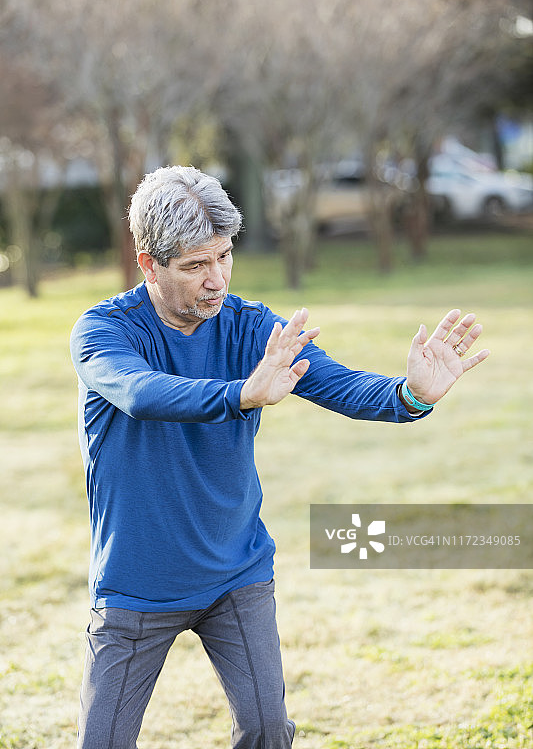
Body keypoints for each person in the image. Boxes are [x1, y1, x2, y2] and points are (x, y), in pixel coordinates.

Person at [70, 165, 489, 749]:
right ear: (148, 263)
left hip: (236, 573)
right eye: (195, 266)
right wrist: (242, 394)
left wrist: (412, 394)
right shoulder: (105, 330)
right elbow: (141, 394)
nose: (215, 279)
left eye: (223, 257)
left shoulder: (248, 328)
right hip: (137, 585)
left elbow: (341, 386)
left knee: (269, 734)